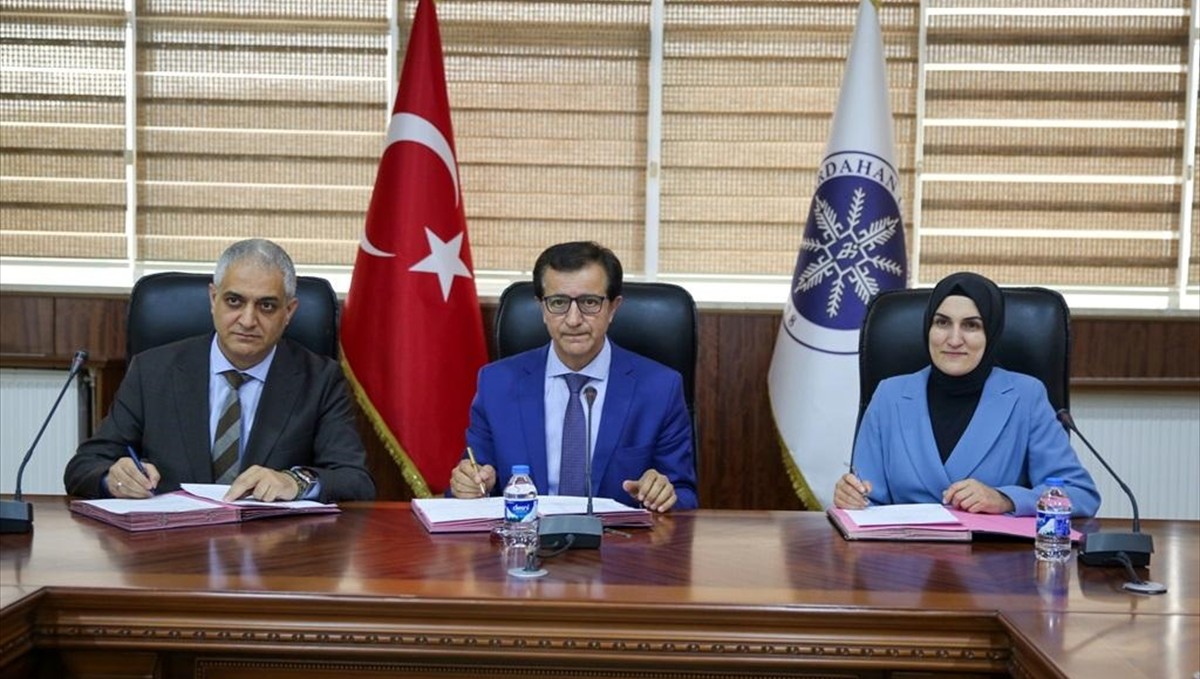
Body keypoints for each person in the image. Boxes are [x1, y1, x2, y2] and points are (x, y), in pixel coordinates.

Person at [63, 239, 375, 503]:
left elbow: (355, 480)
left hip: (273, 549)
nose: (248, 320)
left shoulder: (319, 380)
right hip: (171, 547)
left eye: (266, 306)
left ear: (289, 312)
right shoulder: (152, 371)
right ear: (214, 300)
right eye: (234, 301)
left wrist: (296, 481)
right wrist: (113, 478)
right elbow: (84, 466)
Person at [448, 241, 697, 511]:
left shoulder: (660, 388)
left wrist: (663, 494)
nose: (573, 320)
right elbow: (473, 479)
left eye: (590, 302)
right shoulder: (497, 384)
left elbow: (684, 496)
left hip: (618, 538)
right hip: (527, 535)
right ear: (542, 308)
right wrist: (470, 485)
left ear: (613, 308)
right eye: (558, 303)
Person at [834, 271, 1099, 517]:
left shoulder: (1026, 396)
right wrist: (852, 498)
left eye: (971, 325)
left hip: (991, 550)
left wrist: (1006, 499)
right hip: (905, 549)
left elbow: (1079, 494)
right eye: (942, 323)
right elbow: (867, 500)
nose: (953, 339)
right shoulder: (888, 396)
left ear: (991, 332)